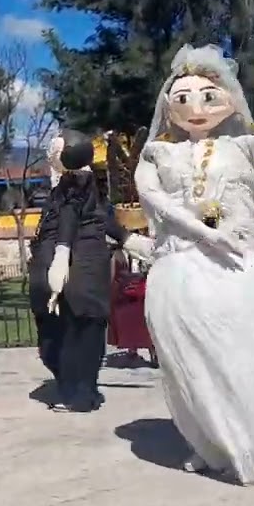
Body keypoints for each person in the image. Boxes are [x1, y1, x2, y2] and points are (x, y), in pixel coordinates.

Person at [135, 43, 254, 484]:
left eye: (208, 96)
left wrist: (232, 229)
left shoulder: (244, 147)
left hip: (240, 264)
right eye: (182, 99)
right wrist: (202, 232)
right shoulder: (158, 154)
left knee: (247, 356)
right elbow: (154, 200)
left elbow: (253, 198)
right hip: (183, 266)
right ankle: (212, 441)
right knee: (196, 361)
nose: (196, 107)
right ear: (168, 106)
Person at [29, 129, 153, 412]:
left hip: (78, 269)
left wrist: (61, 255)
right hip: (64, 271)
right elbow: (102, 216)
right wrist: (128, 239)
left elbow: (73, 220)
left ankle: (81, 392)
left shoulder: (76, 186)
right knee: (65, 333)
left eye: (55, 148)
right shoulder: (71, 187)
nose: (50, 151)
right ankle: (76, 387)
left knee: (80, 329)